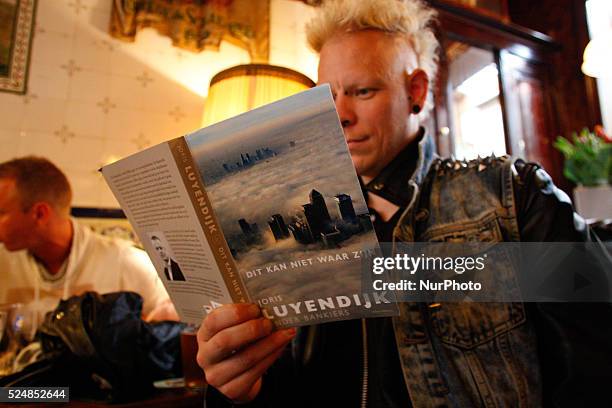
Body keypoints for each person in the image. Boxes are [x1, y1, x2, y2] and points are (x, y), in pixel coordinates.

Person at [196, 0, 612, 406]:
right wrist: (239, 389)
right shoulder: (287, 221)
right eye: (326, 95)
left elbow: (598, 361)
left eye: (362, 91)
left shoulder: (513, 195)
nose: (338, 114)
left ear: (415, 91)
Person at [0, 156, 178, 324]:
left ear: (40, 214)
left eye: (1, 213)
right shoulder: (4, 264)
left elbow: (172, 327)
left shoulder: (126, 263)